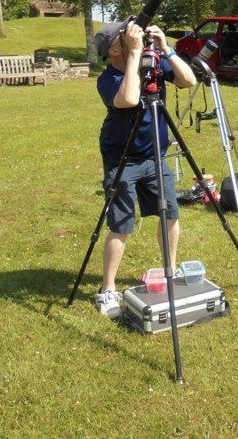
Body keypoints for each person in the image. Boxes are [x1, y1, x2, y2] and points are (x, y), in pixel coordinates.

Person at [92, 17, 197, 318]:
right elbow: (128, 99)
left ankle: (170, 270)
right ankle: (107, 289)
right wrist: (135, 54)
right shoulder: (109, 78)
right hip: (122, 159)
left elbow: (189, 81)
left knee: (170, 214)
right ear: (114, 50)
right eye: (123, 37)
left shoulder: (151, 63)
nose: (132, 37)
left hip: (154, 157)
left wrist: (168, 50)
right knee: (120, 225)